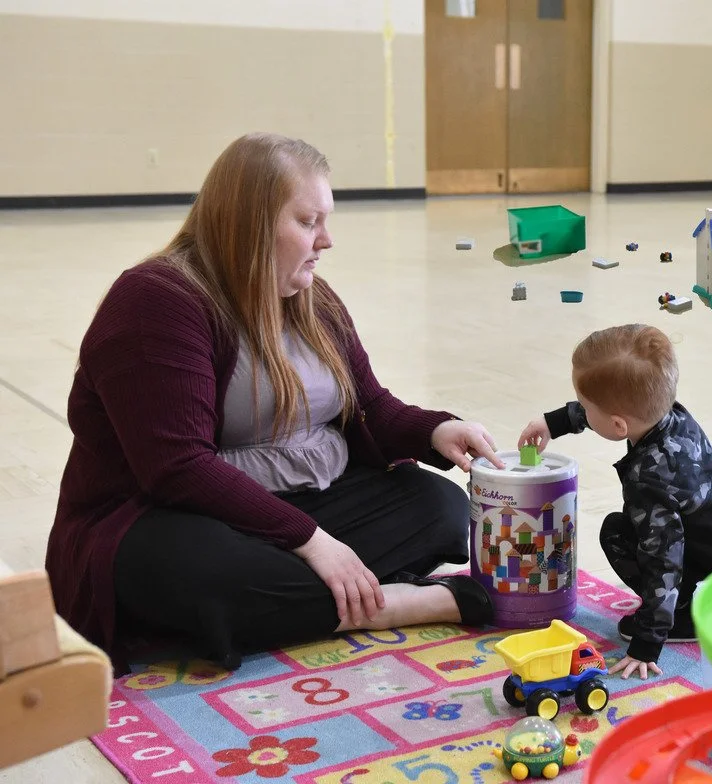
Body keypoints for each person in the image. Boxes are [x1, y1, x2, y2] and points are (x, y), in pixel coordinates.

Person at [46, 132, 505, 675]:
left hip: (294, 502)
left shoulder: (312, 297)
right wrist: (311, 541)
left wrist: (437, 431)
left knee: (444, 510)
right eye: (309, 222)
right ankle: (389, 603)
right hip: (168, 516)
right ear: (250, 224)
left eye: (325, 221)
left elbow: (370, 407)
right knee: (210, 575)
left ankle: (304, 599)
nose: (326, 240)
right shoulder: (156, 301)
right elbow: (176, 470)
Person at [517, 325, 712, 680]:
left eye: (585, 406)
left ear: (619, 425)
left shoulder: (650, 480)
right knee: (638, 529)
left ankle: (679, 616)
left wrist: (646, 642)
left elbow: (664, 560)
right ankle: (679, 604)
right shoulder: (671, 414)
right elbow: (609, 408)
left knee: (616, 532)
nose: (583, 411)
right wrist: (553, 422)